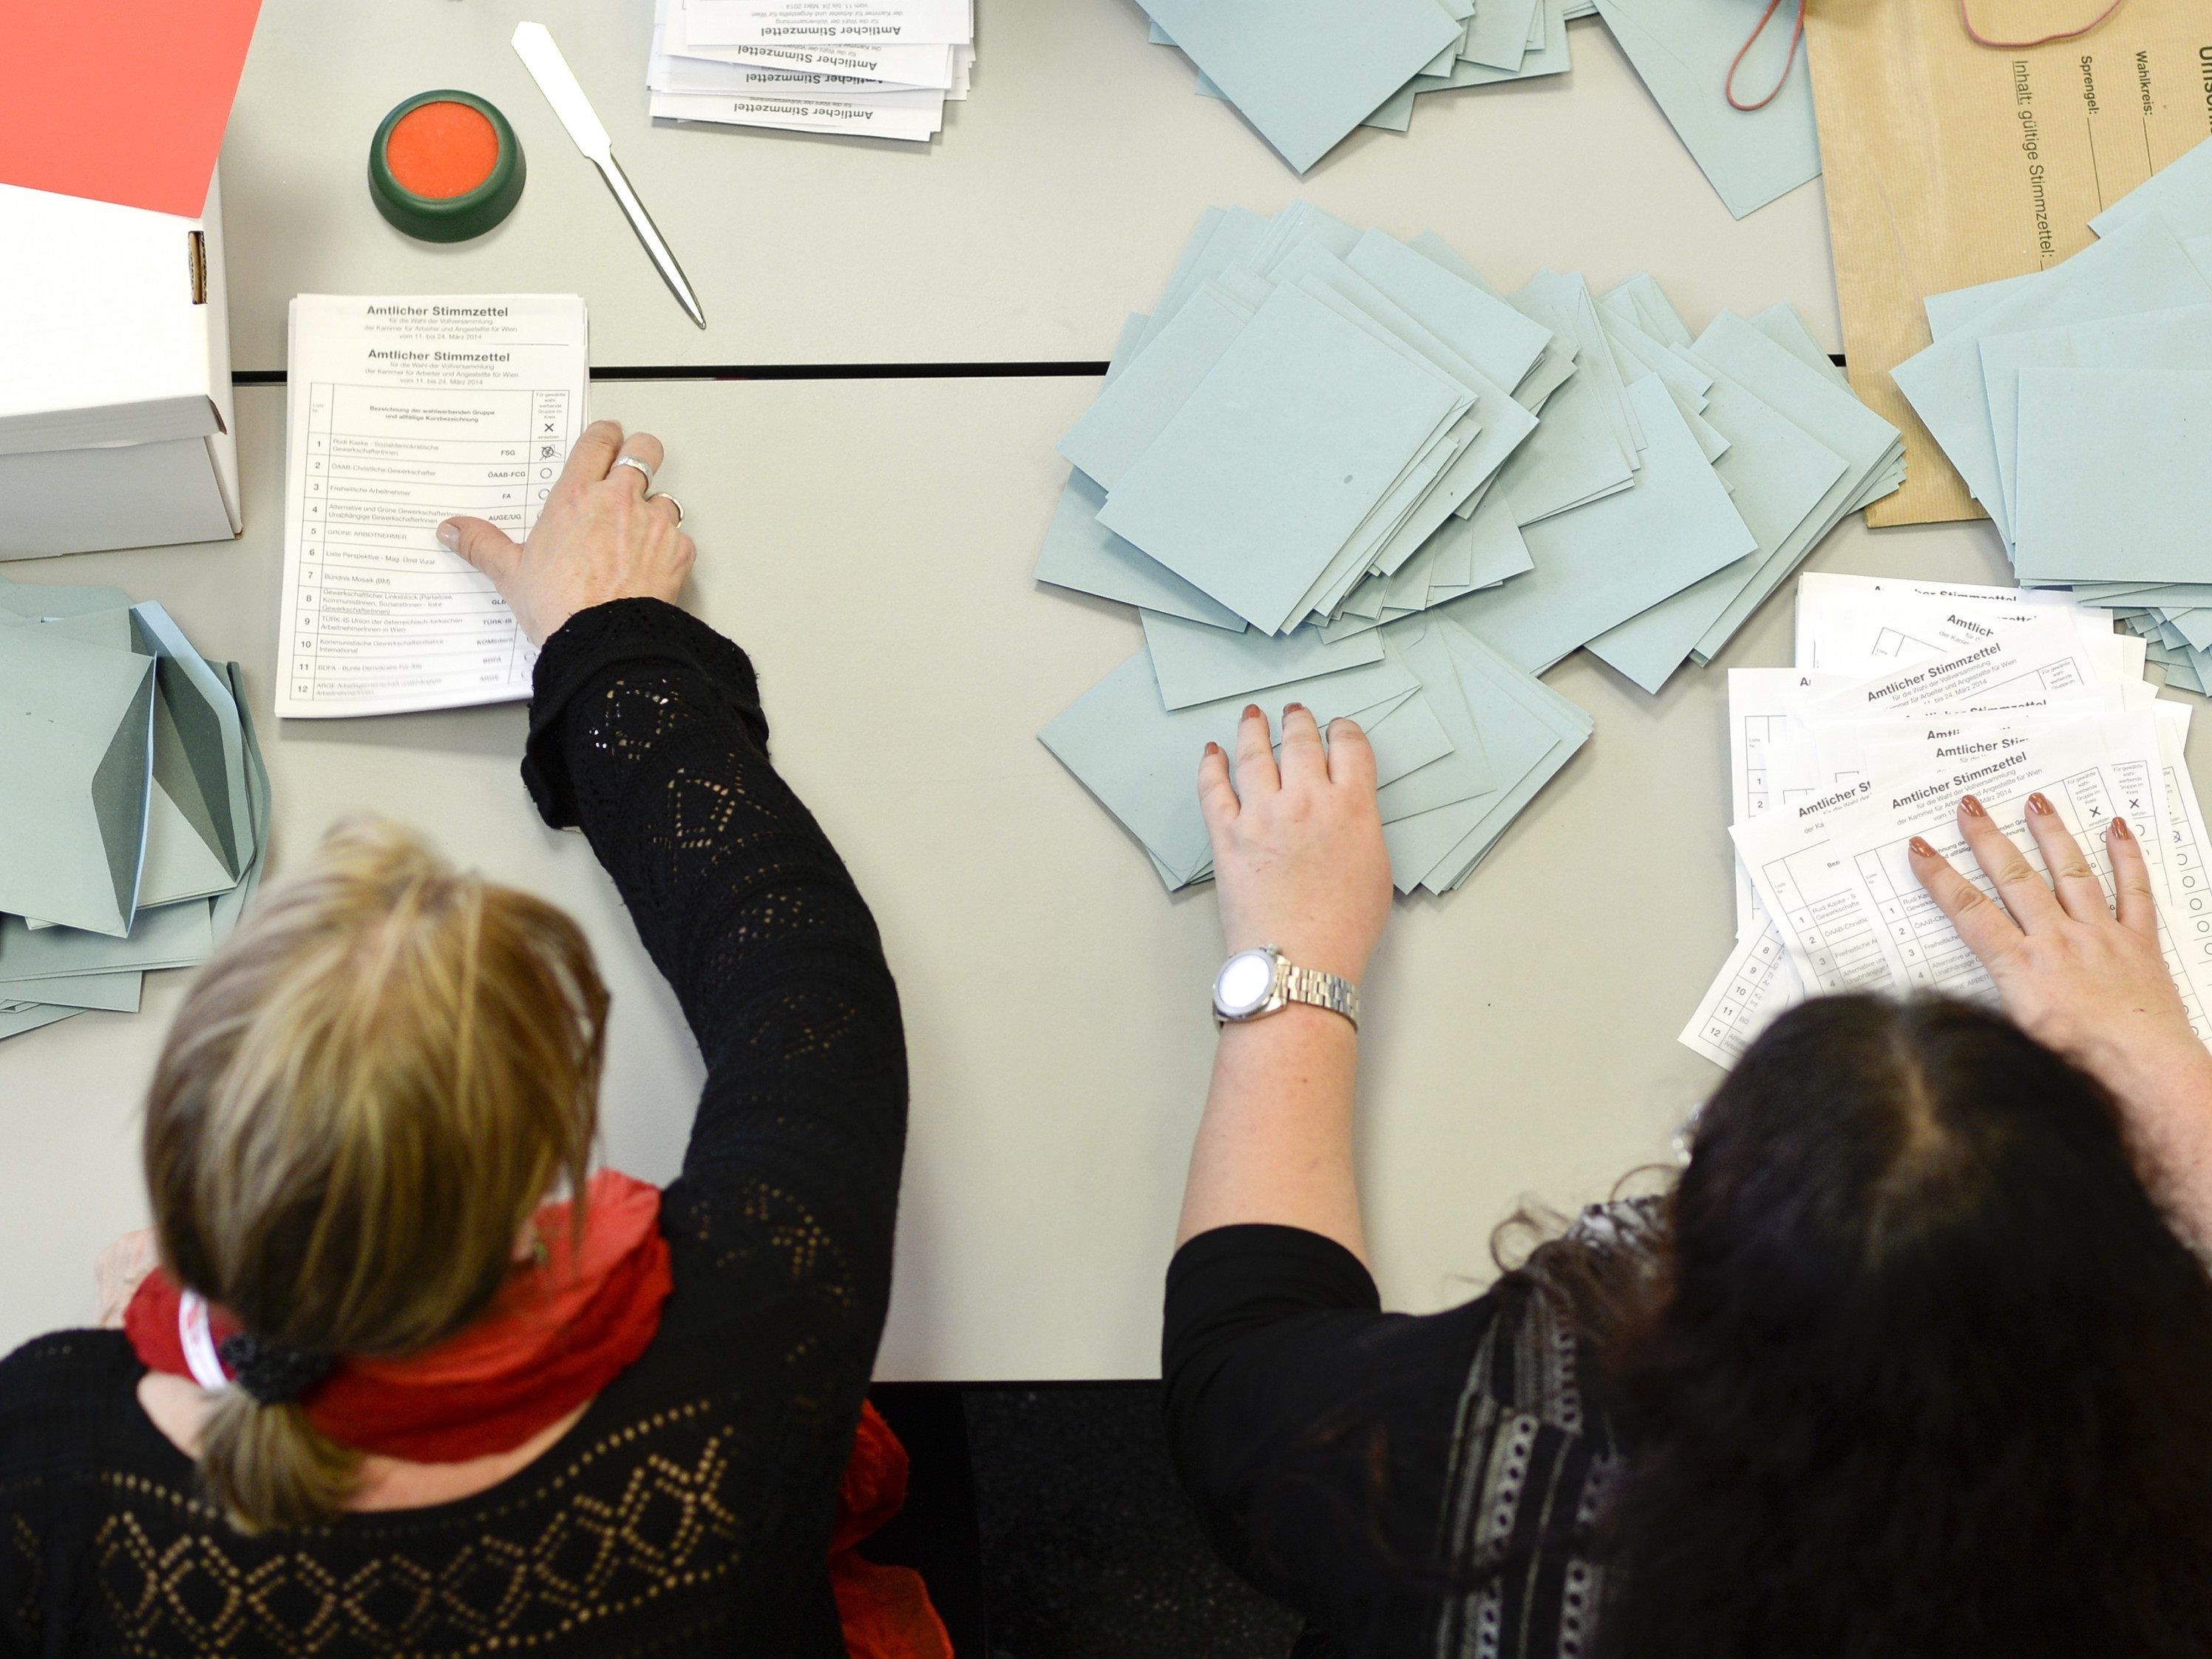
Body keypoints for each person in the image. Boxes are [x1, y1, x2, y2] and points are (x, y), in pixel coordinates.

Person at [0, 423, 941, 1657]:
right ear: (532, 1198)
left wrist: (151, 1338)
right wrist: (604, 640)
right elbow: (801, 968)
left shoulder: (58, 1461)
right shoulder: (751, 1322)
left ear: (196, 1205)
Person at [1162, 703, 2212, 1659]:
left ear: (1692, 1257)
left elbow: (1236, 1376)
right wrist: (2154, 1067)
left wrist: (1294, 959)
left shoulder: (1507, 1467)